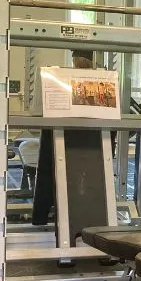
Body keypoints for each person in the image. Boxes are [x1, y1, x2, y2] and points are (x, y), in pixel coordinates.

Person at [31, 49, 96, 225]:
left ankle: (42, 215)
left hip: (60, 135)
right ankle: (88, 214)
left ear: (73, 61)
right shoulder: (98, 82)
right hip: (89, 140)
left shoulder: (61, 80)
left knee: (49, 169)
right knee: (87, 173)